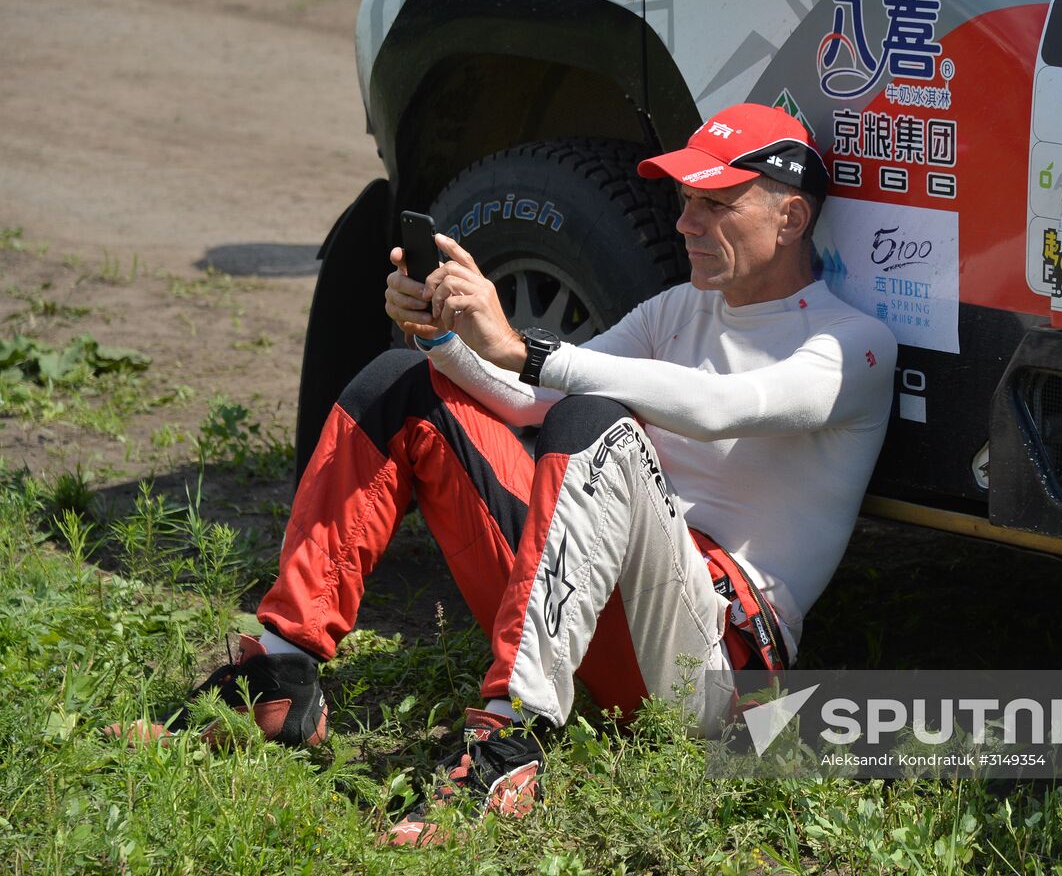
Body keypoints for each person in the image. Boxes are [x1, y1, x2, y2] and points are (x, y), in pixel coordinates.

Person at [114, 103, 894, 844]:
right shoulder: (673, 310)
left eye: (715, 204)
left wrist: (527, 348)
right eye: (685, 200)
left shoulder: (852, 344)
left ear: (789, 217)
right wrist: (444, 335)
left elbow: (725, 406)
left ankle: (504, 752)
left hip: (711, 672)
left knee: (594, 422)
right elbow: (525, 400)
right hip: (586, 617)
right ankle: (279, 676)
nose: (685, 222)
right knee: (399, 384)